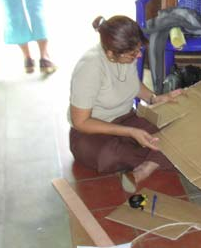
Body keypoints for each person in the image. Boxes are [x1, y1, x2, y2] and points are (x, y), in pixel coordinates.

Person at [68, 15, 183, 190]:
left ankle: (149, 165)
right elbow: (81, 122)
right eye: (133, 54)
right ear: (110, 54)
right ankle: (157, 158)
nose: (138, 56)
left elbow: (133, 84)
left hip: (127, 118)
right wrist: (130, 132)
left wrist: (154, 98)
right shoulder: (90, 67)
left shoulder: (125, 55)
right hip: (91, 132)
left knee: (175, 128)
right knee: (110, 156)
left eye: (138, 50)